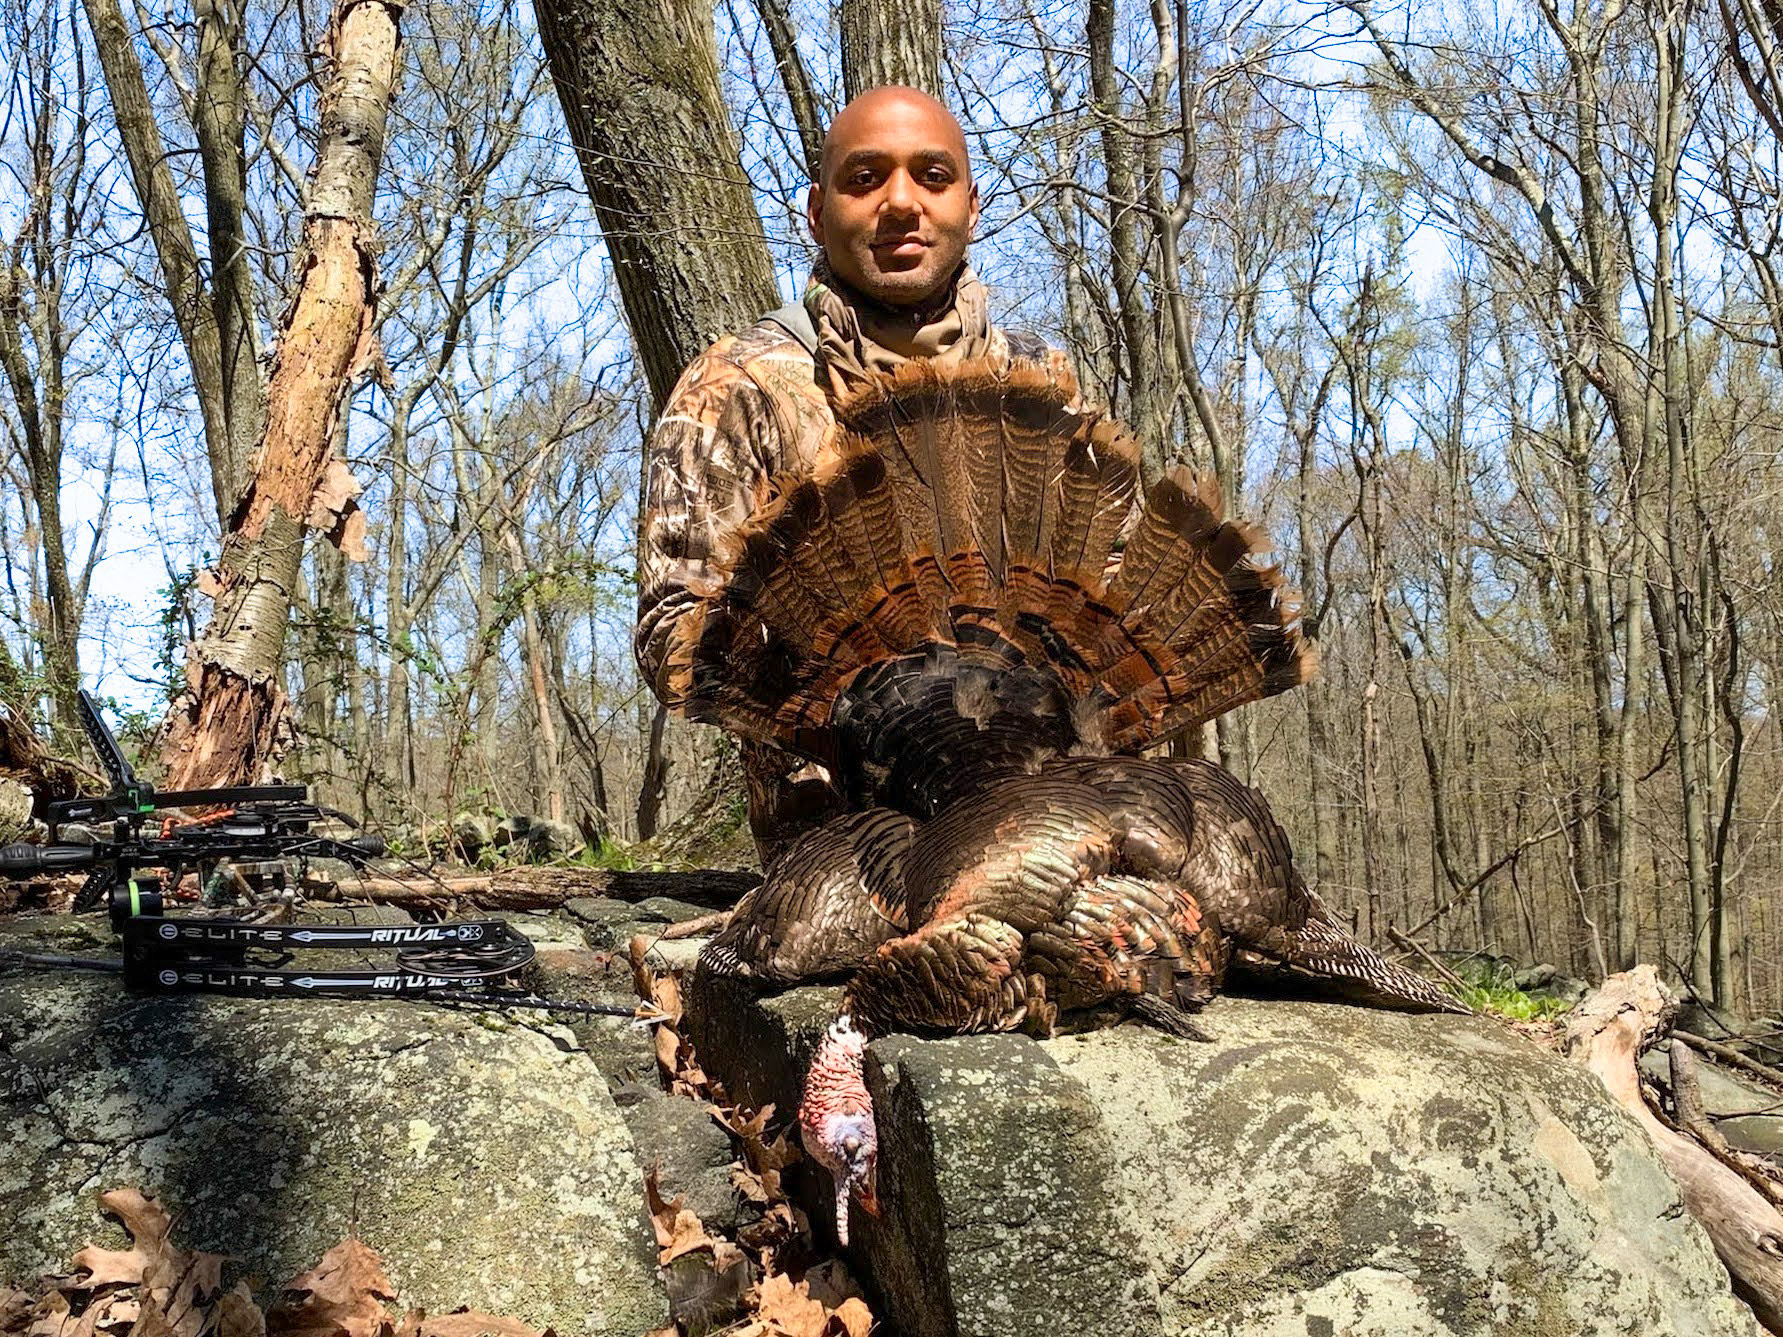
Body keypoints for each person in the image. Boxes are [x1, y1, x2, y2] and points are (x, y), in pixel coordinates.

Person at [634, 85, 1074, 868]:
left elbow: (1108, 587)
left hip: (1045, 824)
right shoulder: (739, 383)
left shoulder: (1040, 377)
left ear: (971, 207)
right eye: (865, 177)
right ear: (815, 211)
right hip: (846, 857)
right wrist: (851, 680)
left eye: (931, 177)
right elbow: (673, 636)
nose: (900, 202)